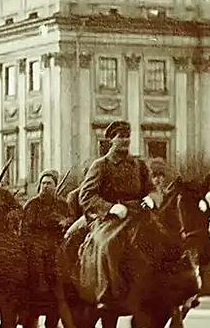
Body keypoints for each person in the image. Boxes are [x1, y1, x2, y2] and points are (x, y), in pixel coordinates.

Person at [67, 120, 162, 304]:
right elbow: (86, 196)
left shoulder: (139, 165)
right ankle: (107, 292)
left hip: (139, 215)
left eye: (127, 136)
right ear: (111, 140)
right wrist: (110, 208)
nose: (125, 141)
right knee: (108, 245)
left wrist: (152, 199)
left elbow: (153, 189)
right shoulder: (101, 165)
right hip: (110, 219)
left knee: (162, 239)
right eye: (120, 137)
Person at [24, 169, 73, 292]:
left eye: (49, 183)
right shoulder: (32, 204)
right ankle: (41, 289)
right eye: (43, 183)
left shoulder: (62, 204)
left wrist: (65, 222)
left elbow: (71, 218)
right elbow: (25, 227)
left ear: (55, 186)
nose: (45, 186)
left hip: (57, 239)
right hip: (37, 240)